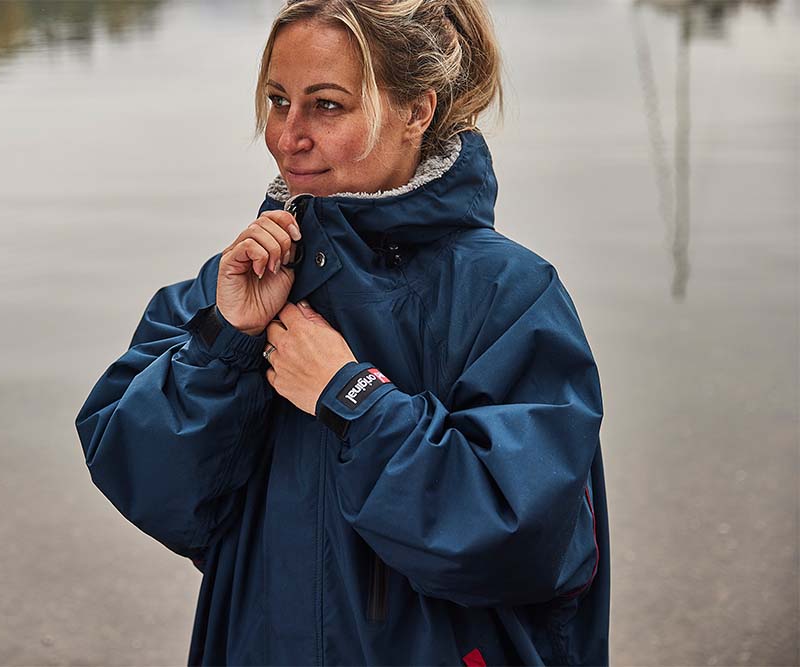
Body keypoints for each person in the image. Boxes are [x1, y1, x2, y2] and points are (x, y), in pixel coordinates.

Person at [75, 0, 610, 665]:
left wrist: (352, 395)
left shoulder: (510, 297)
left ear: (416, 110)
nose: (286, 135)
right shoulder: (240, 280)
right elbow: (146, 484)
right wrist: (224, 341)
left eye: (326, 105)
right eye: (277, 100)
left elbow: (523, 541)